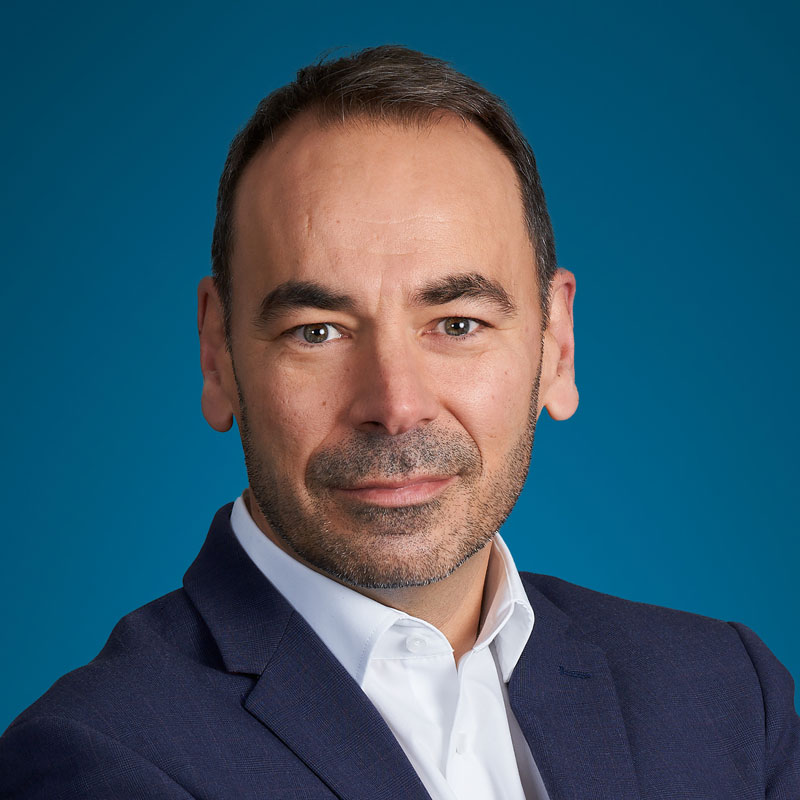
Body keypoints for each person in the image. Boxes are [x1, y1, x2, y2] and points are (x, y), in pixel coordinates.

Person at [0, 45, 797, 800]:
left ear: (557, 344)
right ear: (218, 356)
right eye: (317, 331)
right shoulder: (100, 758)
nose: (395, 404)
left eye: (457, 323)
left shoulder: (728, 697)